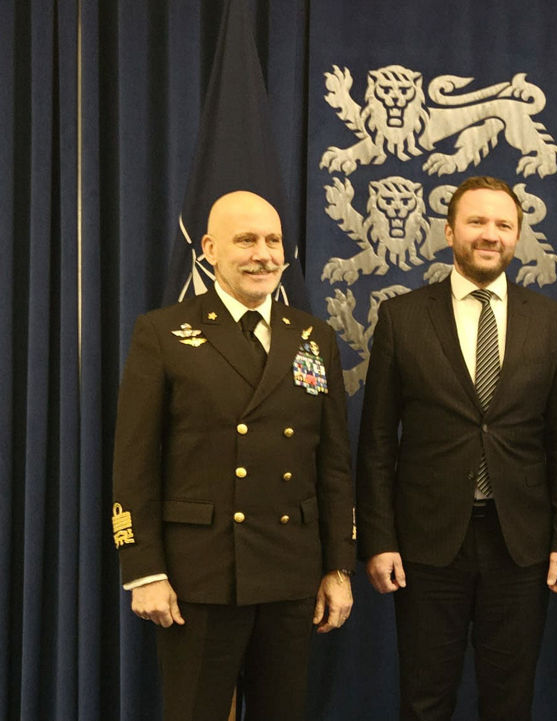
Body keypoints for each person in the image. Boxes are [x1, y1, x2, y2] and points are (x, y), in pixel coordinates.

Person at [110, 190, 355, 721]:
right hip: (200, 575)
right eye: (246, 240)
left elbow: (333, 464)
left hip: (291, 573)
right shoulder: (164, 332)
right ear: (209, 249)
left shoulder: (316, 336)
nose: (263, 254)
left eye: (273, 241)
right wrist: (144, 569)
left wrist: (338, 565)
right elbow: (134, 463)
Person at [357, 176, 557, 721]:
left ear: (518, 236)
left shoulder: (551, 321)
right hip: (427, 546)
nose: (490, 235)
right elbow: (378, 442)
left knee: (510, 701)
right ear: (449, 231)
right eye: (477, 222)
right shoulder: (402, 317)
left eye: (504, 225)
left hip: (521, 545)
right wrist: (380, 540)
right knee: (425, 698)